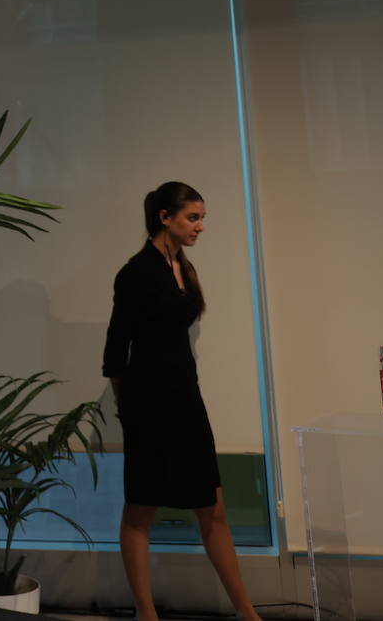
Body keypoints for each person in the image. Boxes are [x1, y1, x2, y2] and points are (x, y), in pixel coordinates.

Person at [101, 182, 264, 621]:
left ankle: (248, 614)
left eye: (201, 217)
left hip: (185, 399)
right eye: (193, 217)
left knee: (212, 507)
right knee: (141, 508)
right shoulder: (136, 272)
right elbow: (116, 349)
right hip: (148, 404)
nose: (200, 226)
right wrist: (125, 409)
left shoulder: (182, 267)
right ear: (165, 217)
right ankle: (146, 614)